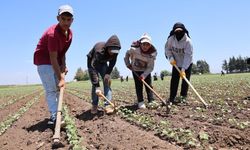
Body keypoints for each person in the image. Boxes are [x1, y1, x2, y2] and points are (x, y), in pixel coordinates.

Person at [34, 5, 74, 125]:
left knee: (58, 89)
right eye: (63, 19)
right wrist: (61, 78)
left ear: (72, 20)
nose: (66, 22)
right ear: (58, 18)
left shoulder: (70, 34)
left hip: (55, 60)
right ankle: (54, 117)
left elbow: (62, 52)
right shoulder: (53, 34)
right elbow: (52, 57)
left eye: (68, 19)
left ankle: (58, 114)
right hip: (44, 61)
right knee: (51, 90)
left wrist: (64, 65)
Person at [87, 35, 121, 114]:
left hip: (103, 63)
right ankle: (94, 105)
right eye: (111, 51)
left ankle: (108, 105)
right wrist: (97, 85)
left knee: (107, 82)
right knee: (95, 87)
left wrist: (108, 74)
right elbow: (93, 69)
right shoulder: (99, 51)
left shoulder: (115, 52)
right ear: (107, 47)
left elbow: (112, 63)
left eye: (115, 52)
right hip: (92, 63)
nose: (113, 53)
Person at [124, 33, 157, 109]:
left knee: (149, 86)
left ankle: (151, 101)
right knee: (138, 86)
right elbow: (126, 55)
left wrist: (144, 75)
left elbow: (150, 67)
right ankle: (141, 102)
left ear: (150, 45)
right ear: (140, 44)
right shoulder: (133, 49)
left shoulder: (152, 54)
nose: (145, 46)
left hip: (145, 71)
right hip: (135, 70)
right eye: (144, 44)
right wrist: (128, 64)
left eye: (147, 45)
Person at [165, 22, 193, 104]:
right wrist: (171, 58)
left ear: (184, 31)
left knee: (185, 80)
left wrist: (183, 69)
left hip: (187, 63)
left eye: (180, 31)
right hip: (175, 63)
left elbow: (188, 56)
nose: (178, 33)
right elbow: (167, 49)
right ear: (174, 32)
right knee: (174, 80)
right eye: (176, 31)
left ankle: (183, 97)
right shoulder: (171, 39)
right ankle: (172, 97)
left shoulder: (188, 42)